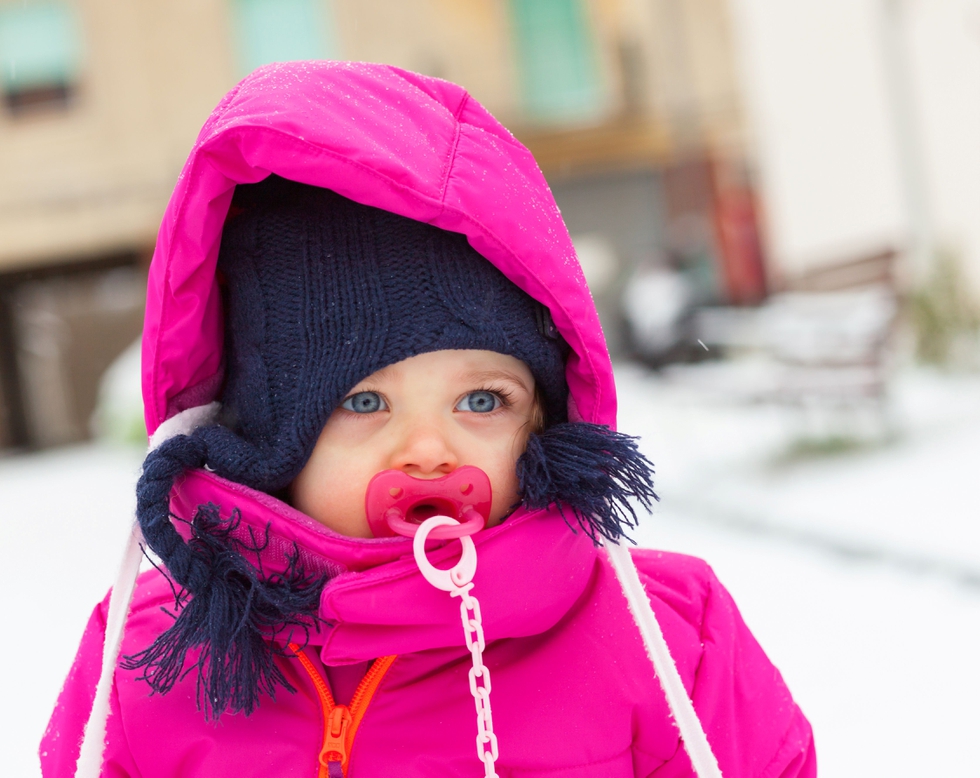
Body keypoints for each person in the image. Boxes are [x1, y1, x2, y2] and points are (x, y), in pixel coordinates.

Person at [41, 61, 815, 778]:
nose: (429, 450)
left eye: (482, 401)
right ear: (264, 439)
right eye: (364, 402)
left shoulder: (664, 642)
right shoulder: (145, 665)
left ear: (544, 420)